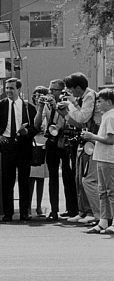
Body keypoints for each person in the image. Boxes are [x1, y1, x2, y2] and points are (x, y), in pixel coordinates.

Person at [0, 78, 38, 222]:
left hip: (23, 145)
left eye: (12, 88)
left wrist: (27, 131)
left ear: (19, 90)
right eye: (6, 88)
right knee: (7, 181)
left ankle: (24, 212)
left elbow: (36, 126)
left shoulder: (28, 107)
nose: (8, 91)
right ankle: (8, 213)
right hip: (7, 145)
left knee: (24, 180)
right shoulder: (1, 105)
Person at [34, 80, 78, 221]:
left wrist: (56, 107)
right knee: (52, 177)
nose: (51, 92)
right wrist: (40, 108)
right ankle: (54, 210)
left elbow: (69, 121)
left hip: (65, 141)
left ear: (61, 91)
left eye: (54, 90)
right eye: (50, 89)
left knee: (67, 175)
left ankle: (71, 209)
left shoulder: (68, 104)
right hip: (52, 141)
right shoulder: (47, 105)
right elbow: (37, 124)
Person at [57, 73, 98, 224]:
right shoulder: (81, 98)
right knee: (79, 178)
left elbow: (82, 118)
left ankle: (91, 212)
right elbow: (79, 123)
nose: (70, 92)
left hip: (91, 142)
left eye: (71, 89)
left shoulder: (90, 96)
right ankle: (83, 211)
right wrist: (65, 115)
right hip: (83, 140)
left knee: (87, 179)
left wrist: (70, 105)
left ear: (78, 88)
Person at [82, 89, 114, 233]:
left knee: (110, 191)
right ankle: (103, 221)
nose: (98, 104)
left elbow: (110, 139)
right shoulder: (106, 116)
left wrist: (92, 137)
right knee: (102, 191)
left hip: (109, 159)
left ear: (108, 102)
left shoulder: (111, 117)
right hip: (102, 157)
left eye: (100, 101)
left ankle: (110, 221)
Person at [29, 86, 49, 217]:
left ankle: (39, 205)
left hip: (44, 142)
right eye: (36, 95)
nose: (38, 98)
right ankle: (29, 205)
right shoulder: (29, 109)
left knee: (41, 177)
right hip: (32, 142)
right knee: (31, 177)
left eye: (41, 95)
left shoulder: (48, 109)